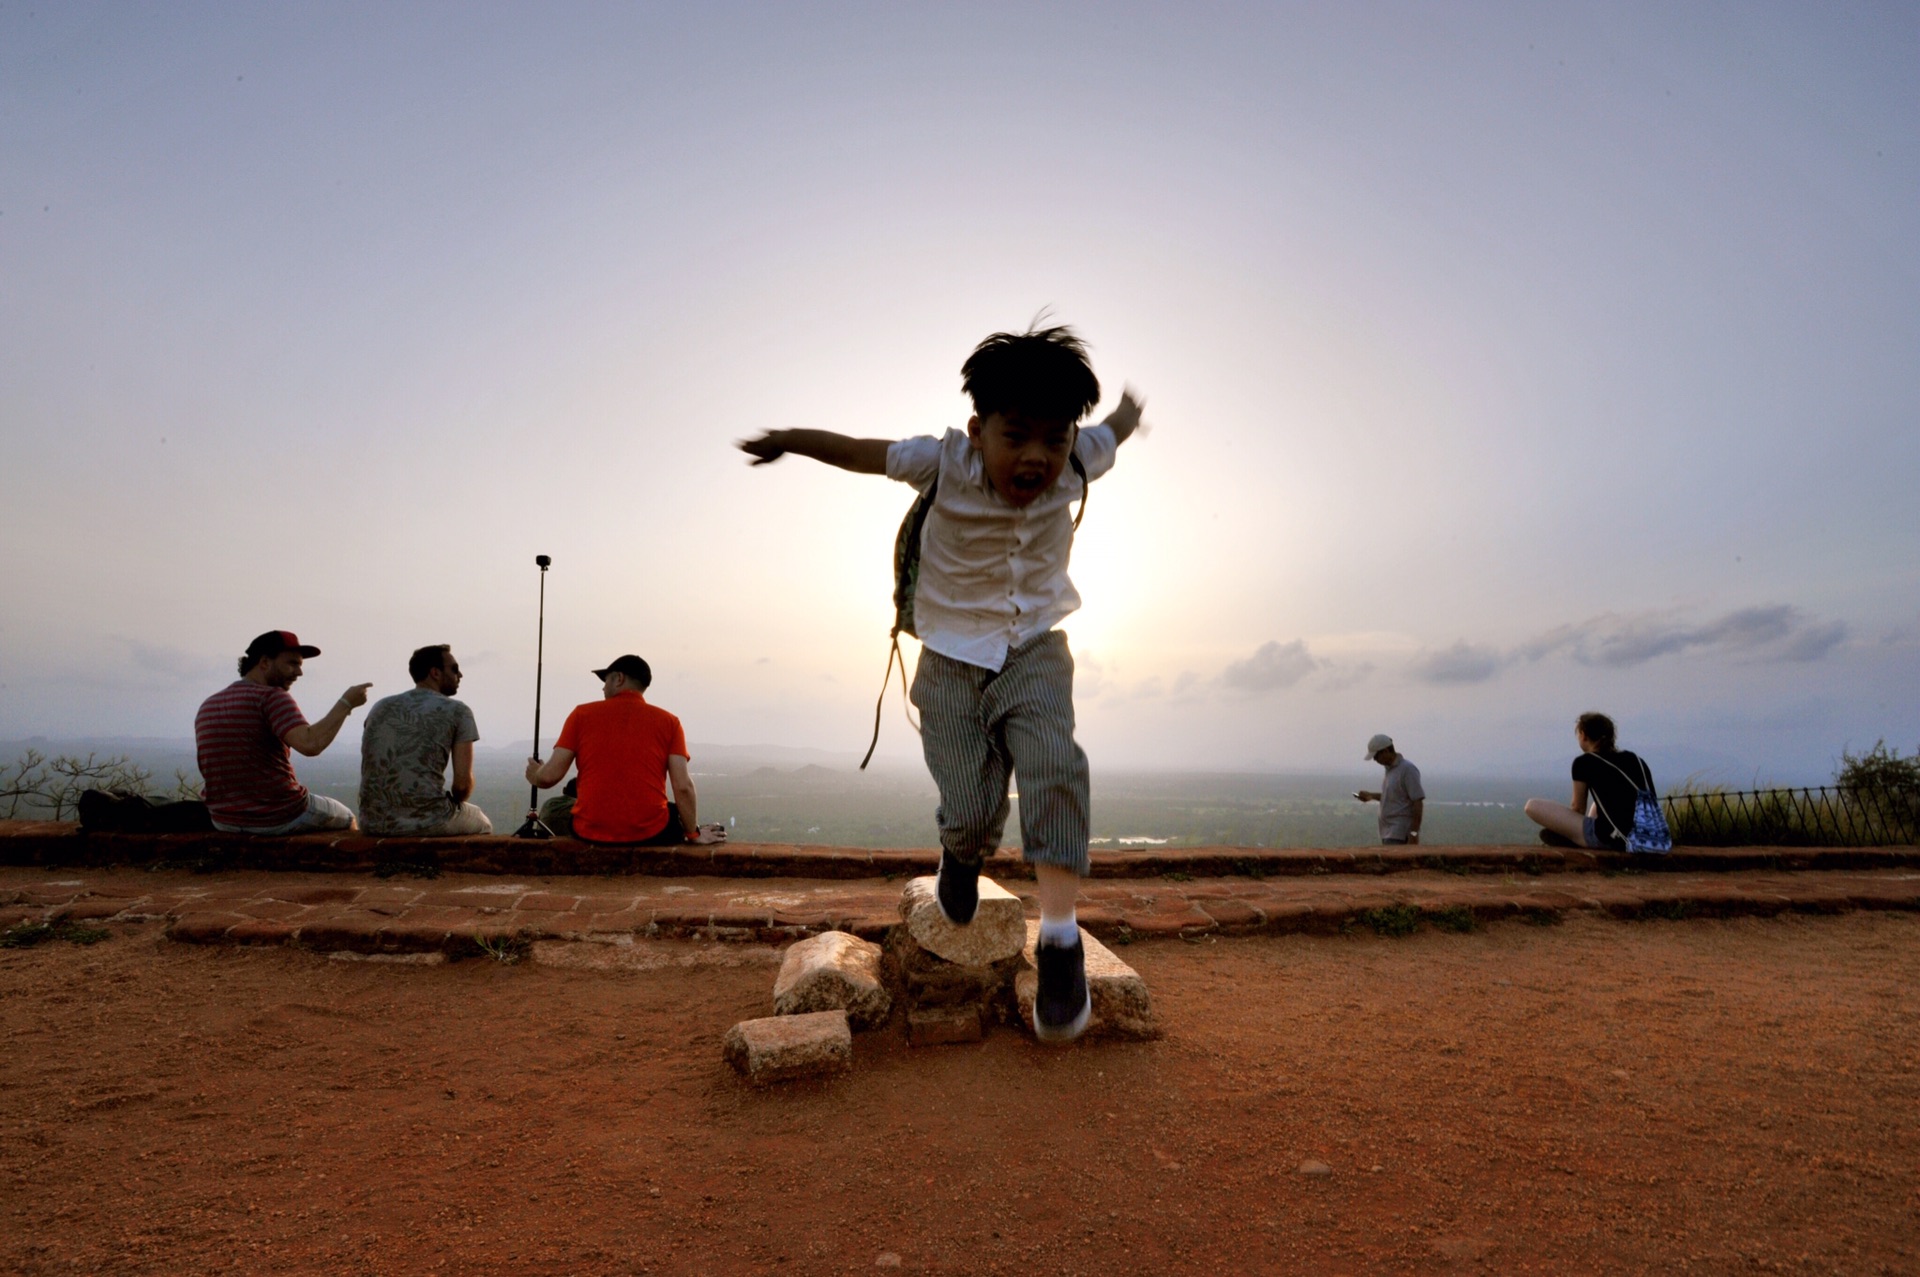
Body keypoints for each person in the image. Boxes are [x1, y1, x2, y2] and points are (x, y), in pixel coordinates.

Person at [738, 323, 1144, 1042]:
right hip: (951, 661)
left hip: (1036, 650)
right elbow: (861, 453)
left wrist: (1128, 413)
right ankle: (960, 852)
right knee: (970, 805)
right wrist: (791, 438)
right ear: (977, 429)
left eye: (1054, 439)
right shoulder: (941, 462)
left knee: (1055, 765)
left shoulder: (1080, 460)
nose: (1038, 457)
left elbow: (1109, 431)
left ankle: (1058, 940)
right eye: (1017, 436)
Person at [524, 654, 726, 846]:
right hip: (652, 833)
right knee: (673, 812)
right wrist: (692, 833)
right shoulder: (670, 722)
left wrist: (535, 774)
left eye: (606, 681)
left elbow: (549, 777)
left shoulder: (580, 715)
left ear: (619, 678)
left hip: (588, 832)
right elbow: (682, 786)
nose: (603, 688)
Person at [194, 630, 371, 834]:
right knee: (348, 817)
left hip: (223, 819)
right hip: (279, 814)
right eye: (292, 663)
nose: (299, 672)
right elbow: (310, 744)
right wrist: (346, 703)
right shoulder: (271, 697)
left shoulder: (210, 703)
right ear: (265, 662)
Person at [358, 644, 493, 836]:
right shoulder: (458, 711)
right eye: (454, 669)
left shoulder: (380, 706)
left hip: (371, 822)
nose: (460, 675)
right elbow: (461, 786)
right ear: (435, 673)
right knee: (482, 822)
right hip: (428, 820)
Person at [1525, 712, 1655, 851]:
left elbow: (1578, 808)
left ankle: (1578, 840)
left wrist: (1567, 829)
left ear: (1583, 734)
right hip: (1651, 838)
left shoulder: (1584, 762)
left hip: (1613, 839)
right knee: (1596, 805)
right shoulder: (1635, 759)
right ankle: (1583, 837)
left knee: (1531, 806)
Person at [1354, 733, 1425, 845]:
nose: (1375, 760)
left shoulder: (1407, 769)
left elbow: (1417, 801)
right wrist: (1371, 796)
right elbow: (1395, 796)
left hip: (1400, 833)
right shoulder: (1390, 770)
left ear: (1386, 751)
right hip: (1388, 833)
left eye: (1376, 756)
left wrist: (1413, 834)